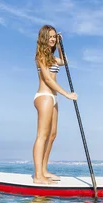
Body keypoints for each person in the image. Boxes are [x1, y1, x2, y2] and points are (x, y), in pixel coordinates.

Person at [32, 25, 77, 184]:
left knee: (52, 135)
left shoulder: (51, 57)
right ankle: (38, 176)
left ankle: (44, 170)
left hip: (53, 98)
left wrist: (59, 45)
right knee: (42, 136)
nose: (52, 39)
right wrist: (66, 94)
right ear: (44, 38)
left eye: (54, 36)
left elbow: (64, 61)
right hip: (44, 96)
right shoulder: (40, 56)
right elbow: (48, 80)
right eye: (50, 37)